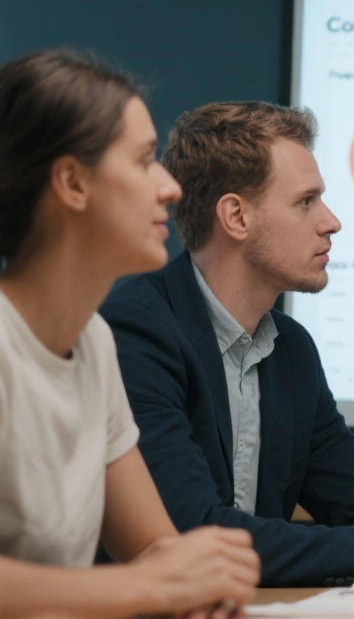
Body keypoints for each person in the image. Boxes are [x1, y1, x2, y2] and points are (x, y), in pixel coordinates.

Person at [99, 101, 354, 587]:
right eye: (306, 202)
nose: (331, 221)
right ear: (236, 216)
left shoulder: (292, 348)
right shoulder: (135, 331)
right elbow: (189, 531)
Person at [0, 50, 259, 618]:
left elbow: (152, 546)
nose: (169, 187)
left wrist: (200, 584)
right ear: (72, 181)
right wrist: (150, 588)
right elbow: (150, 576)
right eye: (145, 161)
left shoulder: (92, 341)